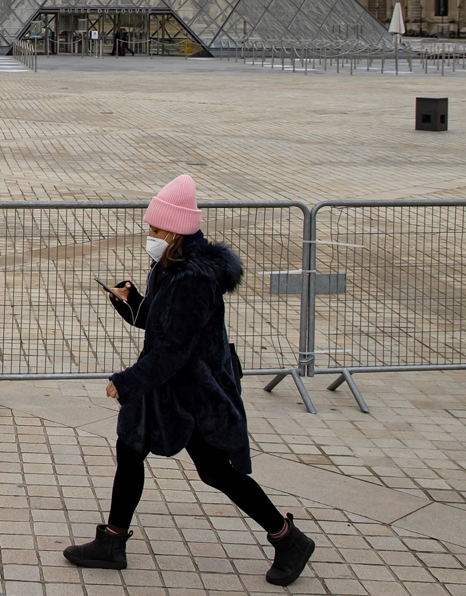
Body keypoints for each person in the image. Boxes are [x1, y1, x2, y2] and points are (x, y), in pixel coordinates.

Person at [63, 174, 315, 586]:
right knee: (130, 449)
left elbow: (175, 348)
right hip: (167, 385)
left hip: (195, 390)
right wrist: (132, 302)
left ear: (175, 231)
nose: (150, 236)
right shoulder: (169, 265)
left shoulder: (194, 278)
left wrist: (129, 381)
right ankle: (112, 540)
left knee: (215, 470)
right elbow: (161, 322)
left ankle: (288, 538)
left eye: (155, 229)